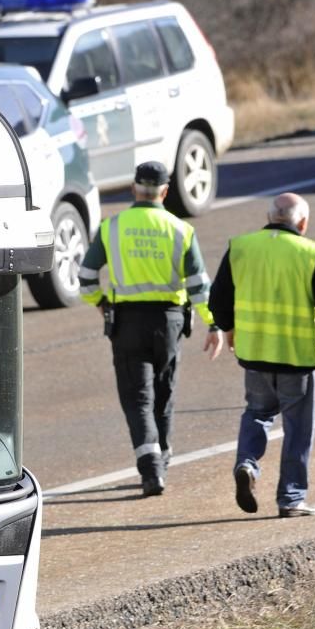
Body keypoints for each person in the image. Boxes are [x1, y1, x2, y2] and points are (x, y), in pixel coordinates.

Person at [208, 193, 315, 518]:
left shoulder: (241, 247)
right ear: (302, 223)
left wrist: (227, 327)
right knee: (297, 428)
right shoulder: (311, 253)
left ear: (269, 216)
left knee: (257, 414)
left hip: (255, 353)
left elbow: (218, 298)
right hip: (296, 357)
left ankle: (247, 464)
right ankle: (291, 498)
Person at [79, 161, 223, 497]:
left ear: (133, 189)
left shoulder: (112, 227)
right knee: (163, 394)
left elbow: (85, 279)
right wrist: (214, 324)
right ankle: (163, 459)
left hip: (127, 322)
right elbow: (200, 287)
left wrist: (101, 303)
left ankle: (151, 470)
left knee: (137, 399)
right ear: (165, 191)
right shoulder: (180, 230)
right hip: (169, 322)